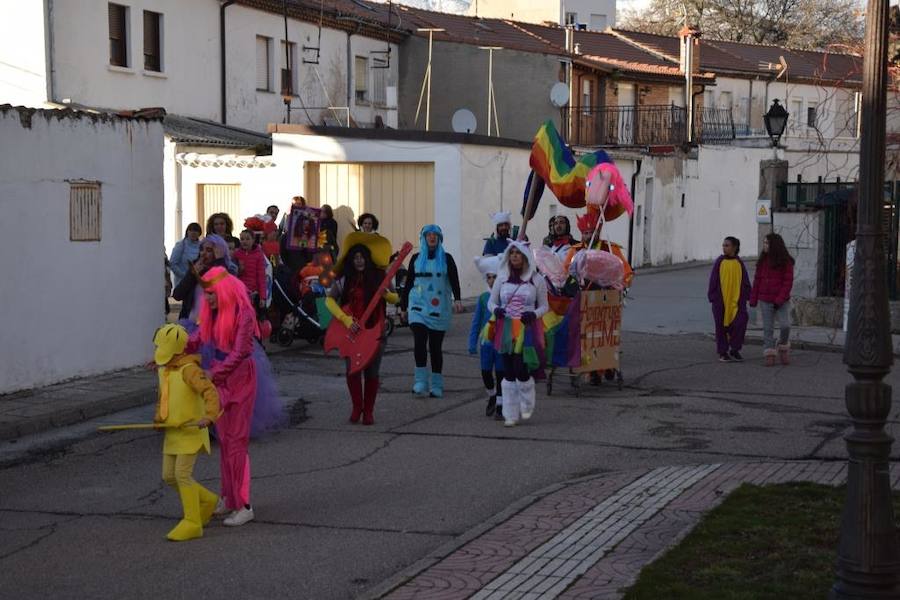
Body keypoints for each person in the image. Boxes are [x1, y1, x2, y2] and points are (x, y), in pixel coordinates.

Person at [189, 266, 284, 527]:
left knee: (236, 444)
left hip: (240, 381)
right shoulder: (213, 313)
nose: (206, 299)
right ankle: (229, 497)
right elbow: (196, 338)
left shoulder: (242, 313)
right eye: (205, 294)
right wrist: (167, 352)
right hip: (221, 382)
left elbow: (241, 352)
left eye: (211, 293)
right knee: (225, 443)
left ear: (224, 290)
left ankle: (244, 504)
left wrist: (214, 373)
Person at [151, 323, 221, 542]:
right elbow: (164, 396)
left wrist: (209, 417)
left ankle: (192, 522)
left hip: (191, 430)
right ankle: (208, 500)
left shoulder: (189, 369)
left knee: (182, 475)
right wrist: (158, 418)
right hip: (173, 431)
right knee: (169, 476)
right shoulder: (165, 369)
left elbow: (209, 390)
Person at [325, 233, 399, 425]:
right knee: (352, 371)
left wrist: (386, 295)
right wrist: (345, 319)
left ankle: (369, 411)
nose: (359, 261)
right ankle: (357, 407)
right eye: (355, 258)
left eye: (362, 257)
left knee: (372, 373)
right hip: (351, 333)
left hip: (375, 331)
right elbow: (329, 300)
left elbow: (396, 298)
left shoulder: (380, 276)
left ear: (367, 258)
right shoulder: (344, 279)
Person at [487, 241, 548, 427]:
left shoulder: (536, 279)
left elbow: (545, 306)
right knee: (508, 371)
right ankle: (510, 413)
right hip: (505, 327)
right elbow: (491, 302)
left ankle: (527, 403)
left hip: (526, 328)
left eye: (518, 253)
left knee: (521, 369)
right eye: (511, 252)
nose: (514, 256)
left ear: (525, 256)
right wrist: (496, 310)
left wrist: (533, 314)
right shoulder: (502, 278)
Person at [402, 225, 463, 398]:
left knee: (435, 347)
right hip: (418, 306)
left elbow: (454, 280)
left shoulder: (447, 259)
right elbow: (408, 284)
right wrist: (403, 307)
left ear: (439, 238)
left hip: (439, 307)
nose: (431, 238)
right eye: (428, 235)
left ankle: (436, 384)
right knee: (419, 341)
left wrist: (457, 299)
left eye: (435, 235)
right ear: (423, 238)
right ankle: (420, 381)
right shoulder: (415, 258)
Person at [750, 233, 795, 366]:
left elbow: (788, 282)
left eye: (767, 243)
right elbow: (757, 280)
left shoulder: (786, 261)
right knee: (768, 329)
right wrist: (753, 298)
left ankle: (783, 346)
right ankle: (769, 353)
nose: (764, 245)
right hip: (765, 299)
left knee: (785, 326)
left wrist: (780, 299)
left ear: (774, 245)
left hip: (781, 301)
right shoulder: (762, 261)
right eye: (764, 242)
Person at [172, 234, 238, 321]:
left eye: (209, 250)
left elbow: (224, 294)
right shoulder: (196, 267)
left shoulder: (229, 270)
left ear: (218, 253)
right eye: (201, 249)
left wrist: (219, 261)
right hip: (190, 324)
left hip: (214, 326)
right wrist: (192, 275)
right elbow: (177, 295)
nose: (203, 253)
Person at [470, 256, 504, 418]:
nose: (491, 280)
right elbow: (476, 322)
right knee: (485, 373)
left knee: (501, 373)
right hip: (486, 343)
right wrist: (472, 342)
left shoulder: (505, 297)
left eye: (494, 277)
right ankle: (492, 395)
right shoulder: (483, 298)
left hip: (502, 342)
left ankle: (500, 406)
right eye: (488, 277)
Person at [708, 236, 751, 363]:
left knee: (740, 322)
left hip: (737, 301)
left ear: (734, 247)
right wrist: (713, 297)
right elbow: (713, 280)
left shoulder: (739, 263)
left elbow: (745, 281)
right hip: (721, 302)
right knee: (721, 326)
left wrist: (749, 295)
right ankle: (723, 351)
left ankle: (735, 349)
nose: (724, 247)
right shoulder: (720, 262)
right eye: (723, 245)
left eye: (727, 245)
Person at [233, 229, 268, 311]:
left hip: (253, 292)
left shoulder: (259, 255)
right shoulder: (237, 254)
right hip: (239, 291)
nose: (244, 241)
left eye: (247, 239)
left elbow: (261, 277)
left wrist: (263, 297)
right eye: (242, 239)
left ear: (253, 240)